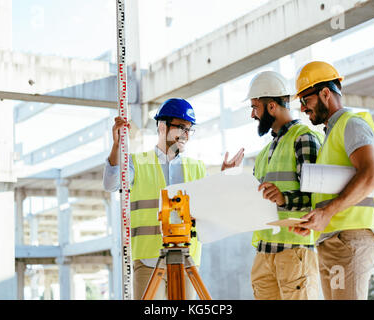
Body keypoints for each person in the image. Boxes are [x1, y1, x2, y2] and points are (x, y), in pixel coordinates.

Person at [103, 98, 244, 300]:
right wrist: (117, 147)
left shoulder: (197, 167)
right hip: (149, 261)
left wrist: (223, 178)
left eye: (189, 129)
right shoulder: (137, 163)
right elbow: (111, 183)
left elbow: (210, 206)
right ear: (162, 126)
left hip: (187, 261)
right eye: (181, 128)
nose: (186, 135)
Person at [291, 61, 374, 300]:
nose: (302, 108)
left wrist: (327, 213)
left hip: (349, 240)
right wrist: (315, 217)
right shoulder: (332, 133)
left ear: (325, 93)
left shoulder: (351, 124)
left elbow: (371, 175)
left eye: (306, 100)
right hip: (336, 240)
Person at [246, 71, 323, 300]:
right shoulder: (263, 154)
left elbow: (317, 199)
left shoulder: (304, 138)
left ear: (271, 107)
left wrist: (283, 198)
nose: (252, 114)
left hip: (295, 252)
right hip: (264, 253)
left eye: (255, 107)